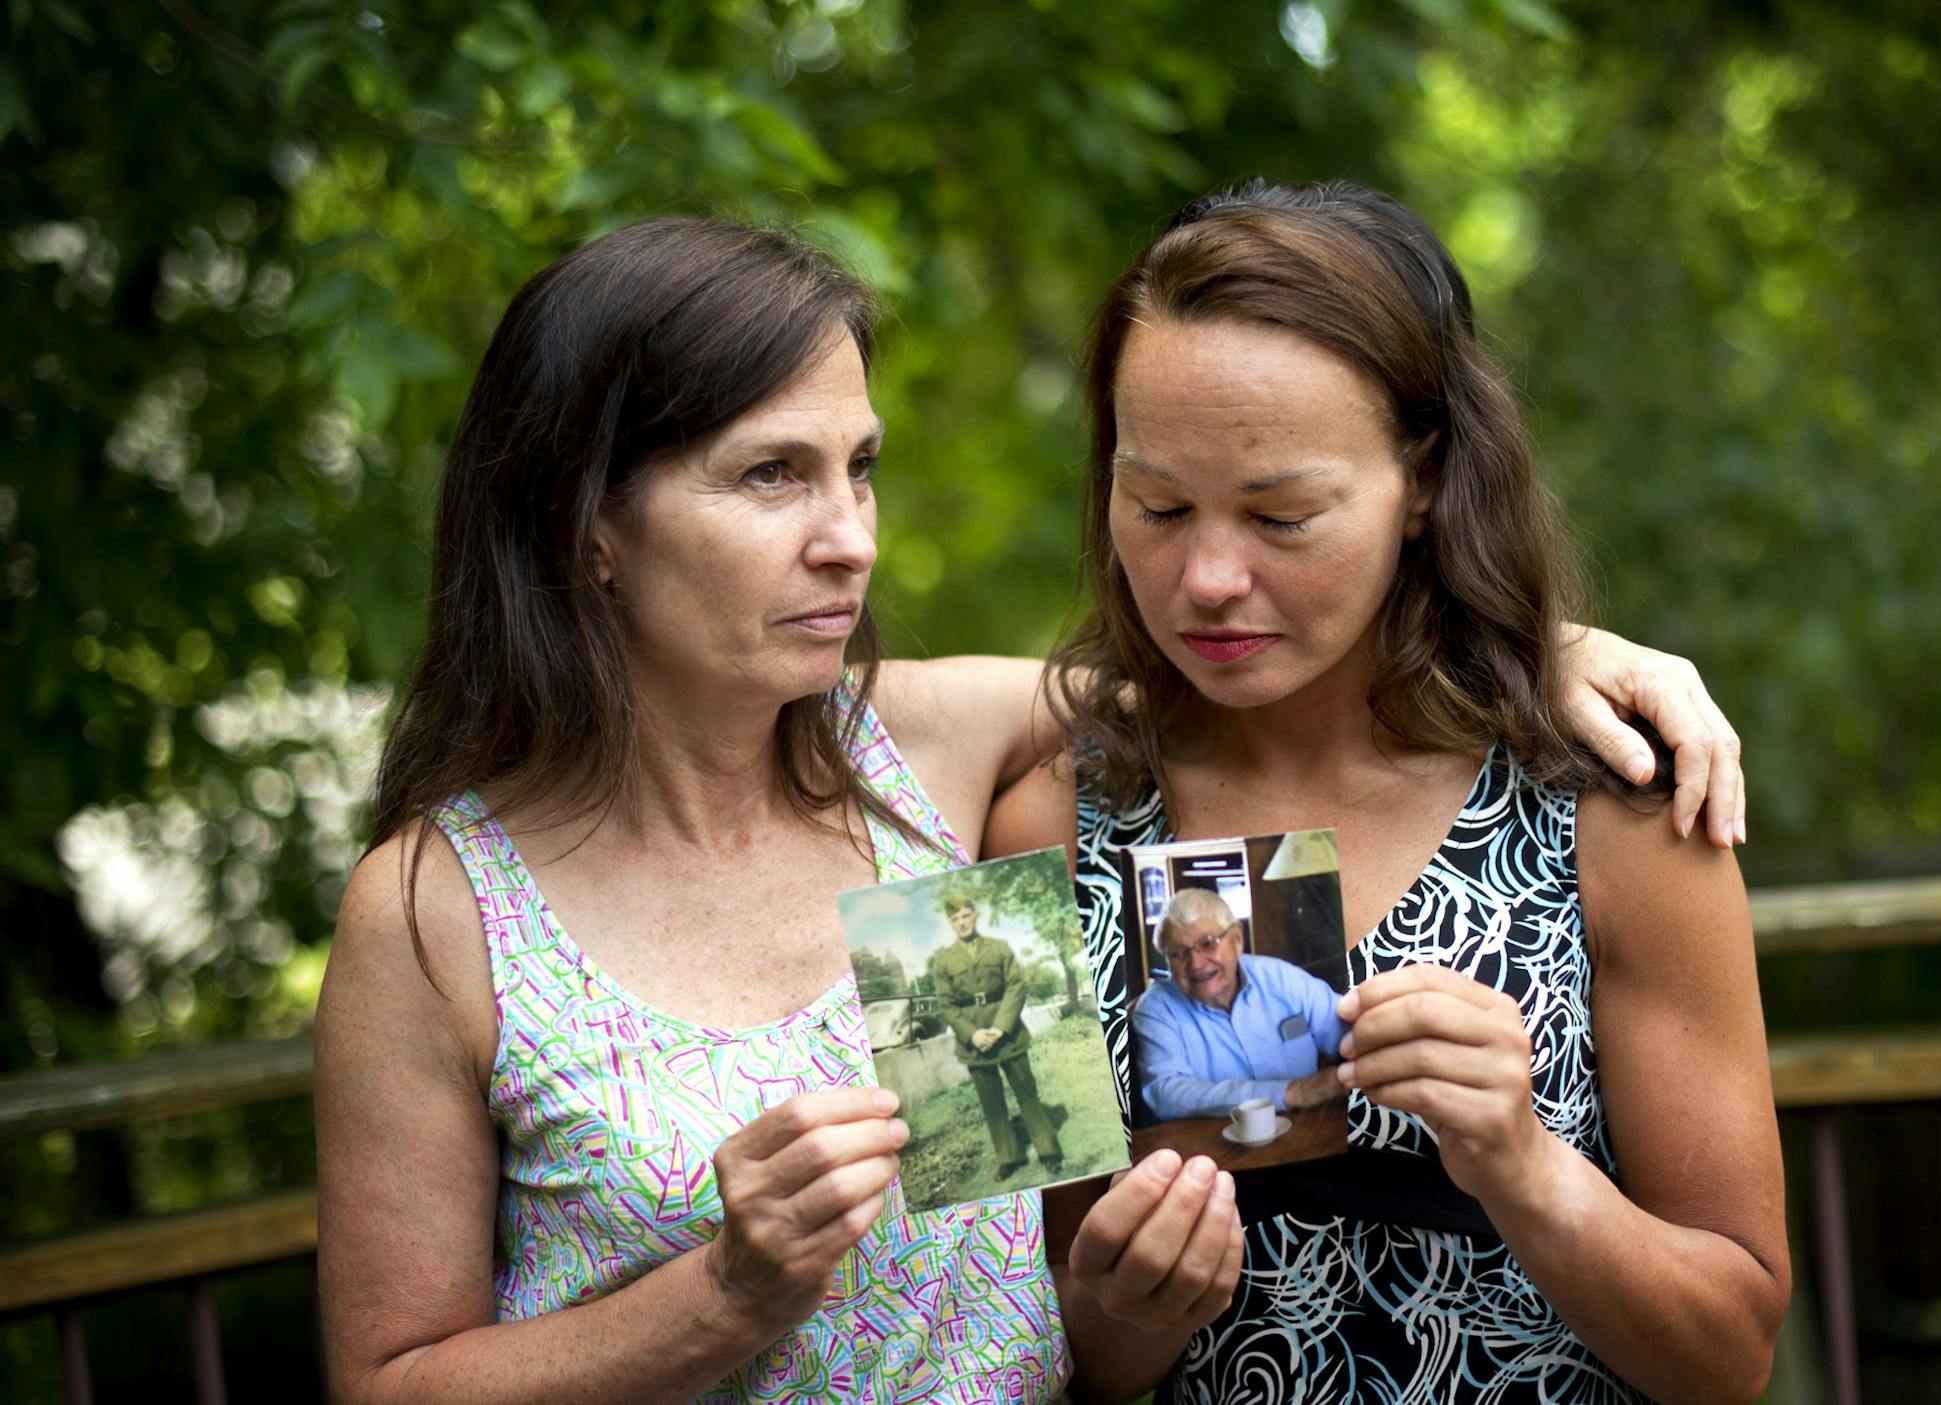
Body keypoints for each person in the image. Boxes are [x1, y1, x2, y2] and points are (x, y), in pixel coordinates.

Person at [311, 211, 1752, 1405]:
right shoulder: (445, 909)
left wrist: (1565, 652)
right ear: (588, 523)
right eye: (773, 475)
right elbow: (387, 1384)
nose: (850, 538)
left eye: (860, 469)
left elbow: (1280, 668)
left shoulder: (926, 780)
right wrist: (726, 1293)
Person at [988, 179, 1788, 1403]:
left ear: (1422, 483)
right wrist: (1122, 1314)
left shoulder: (1613, 806)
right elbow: (996, 1345)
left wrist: (1527, 1168)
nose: (1206, 575)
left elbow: (1733, 1357)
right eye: (1157, 505)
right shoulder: (1039, 828)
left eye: (1281, 515)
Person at [1132, 887, 1348, 1121]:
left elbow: (1350, 1032)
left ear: (1236, 939)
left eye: (1207, 944)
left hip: (1309, 1126)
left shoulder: (1281, 977)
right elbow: (1166, 1094)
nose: (1195, 964)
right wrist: (1291, 1093)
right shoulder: (1155, 1009)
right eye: (1178, 953)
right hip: (1214, 1144)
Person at [931, 893, 1063, 1177]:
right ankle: (1009, 1157)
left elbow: (1016, 985)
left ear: (974, 915)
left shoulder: (999, 948)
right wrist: (972, 1034)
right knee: (992, 1104)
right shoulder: (944, 962)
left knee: (1027, 1094)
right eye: (955, 919)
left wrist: (1002, 1026)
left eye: (966, 916)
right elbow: (946, 1005)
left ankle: (1048, 1151)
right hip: (974, 1041)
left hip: (1009, 1033)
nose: (962, 923)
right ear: (951, 924)